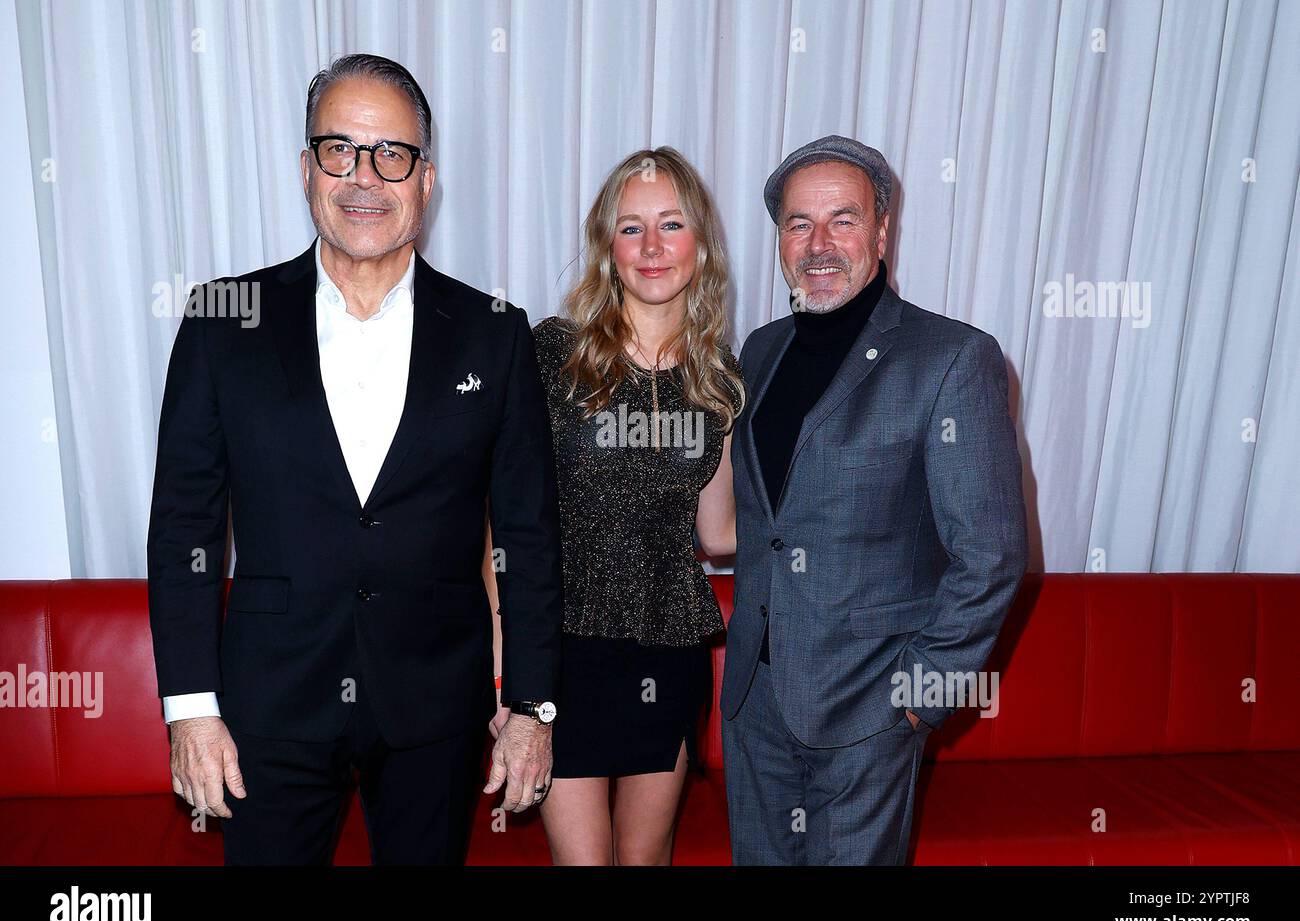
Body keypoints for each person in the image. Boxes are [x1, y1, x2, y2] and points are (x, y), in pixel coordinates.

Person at [147, 53, 562, 865]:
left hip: (437, 709)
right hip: (270, 706)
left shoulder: (495, 332)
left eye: (391, 154)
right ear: (307, 170)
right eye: (339, 150)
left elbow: (529, 533)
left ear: (426, 179)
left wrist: (532, 706)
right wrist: (190, 708)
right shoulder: (223, 321)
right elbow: (183, 529)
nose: (364, 176)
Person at [722, 135, 1028, 865]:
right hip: (753, 701)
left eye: (843, 219)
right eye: (799, 224)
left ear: (882, 230)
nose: (819, 243)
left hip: (870, 707)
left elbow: (991, 553)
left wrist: (916, 702)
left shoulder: (952, 357)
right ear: (780, 241)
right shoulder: (759, 352)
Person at [489, 146, 743, 865]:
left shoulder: (720, 377)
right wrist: (508, 675)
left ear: (701, 243)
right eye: (631, 228)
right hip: (559, 654)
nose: (653, 247)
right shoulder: (552, 354)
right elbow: (498, 525)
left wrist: (837, 530)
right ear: (607, 247)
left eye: (671, 224)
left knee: (645, 861)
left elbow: (719, 533)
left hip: (670, 649)